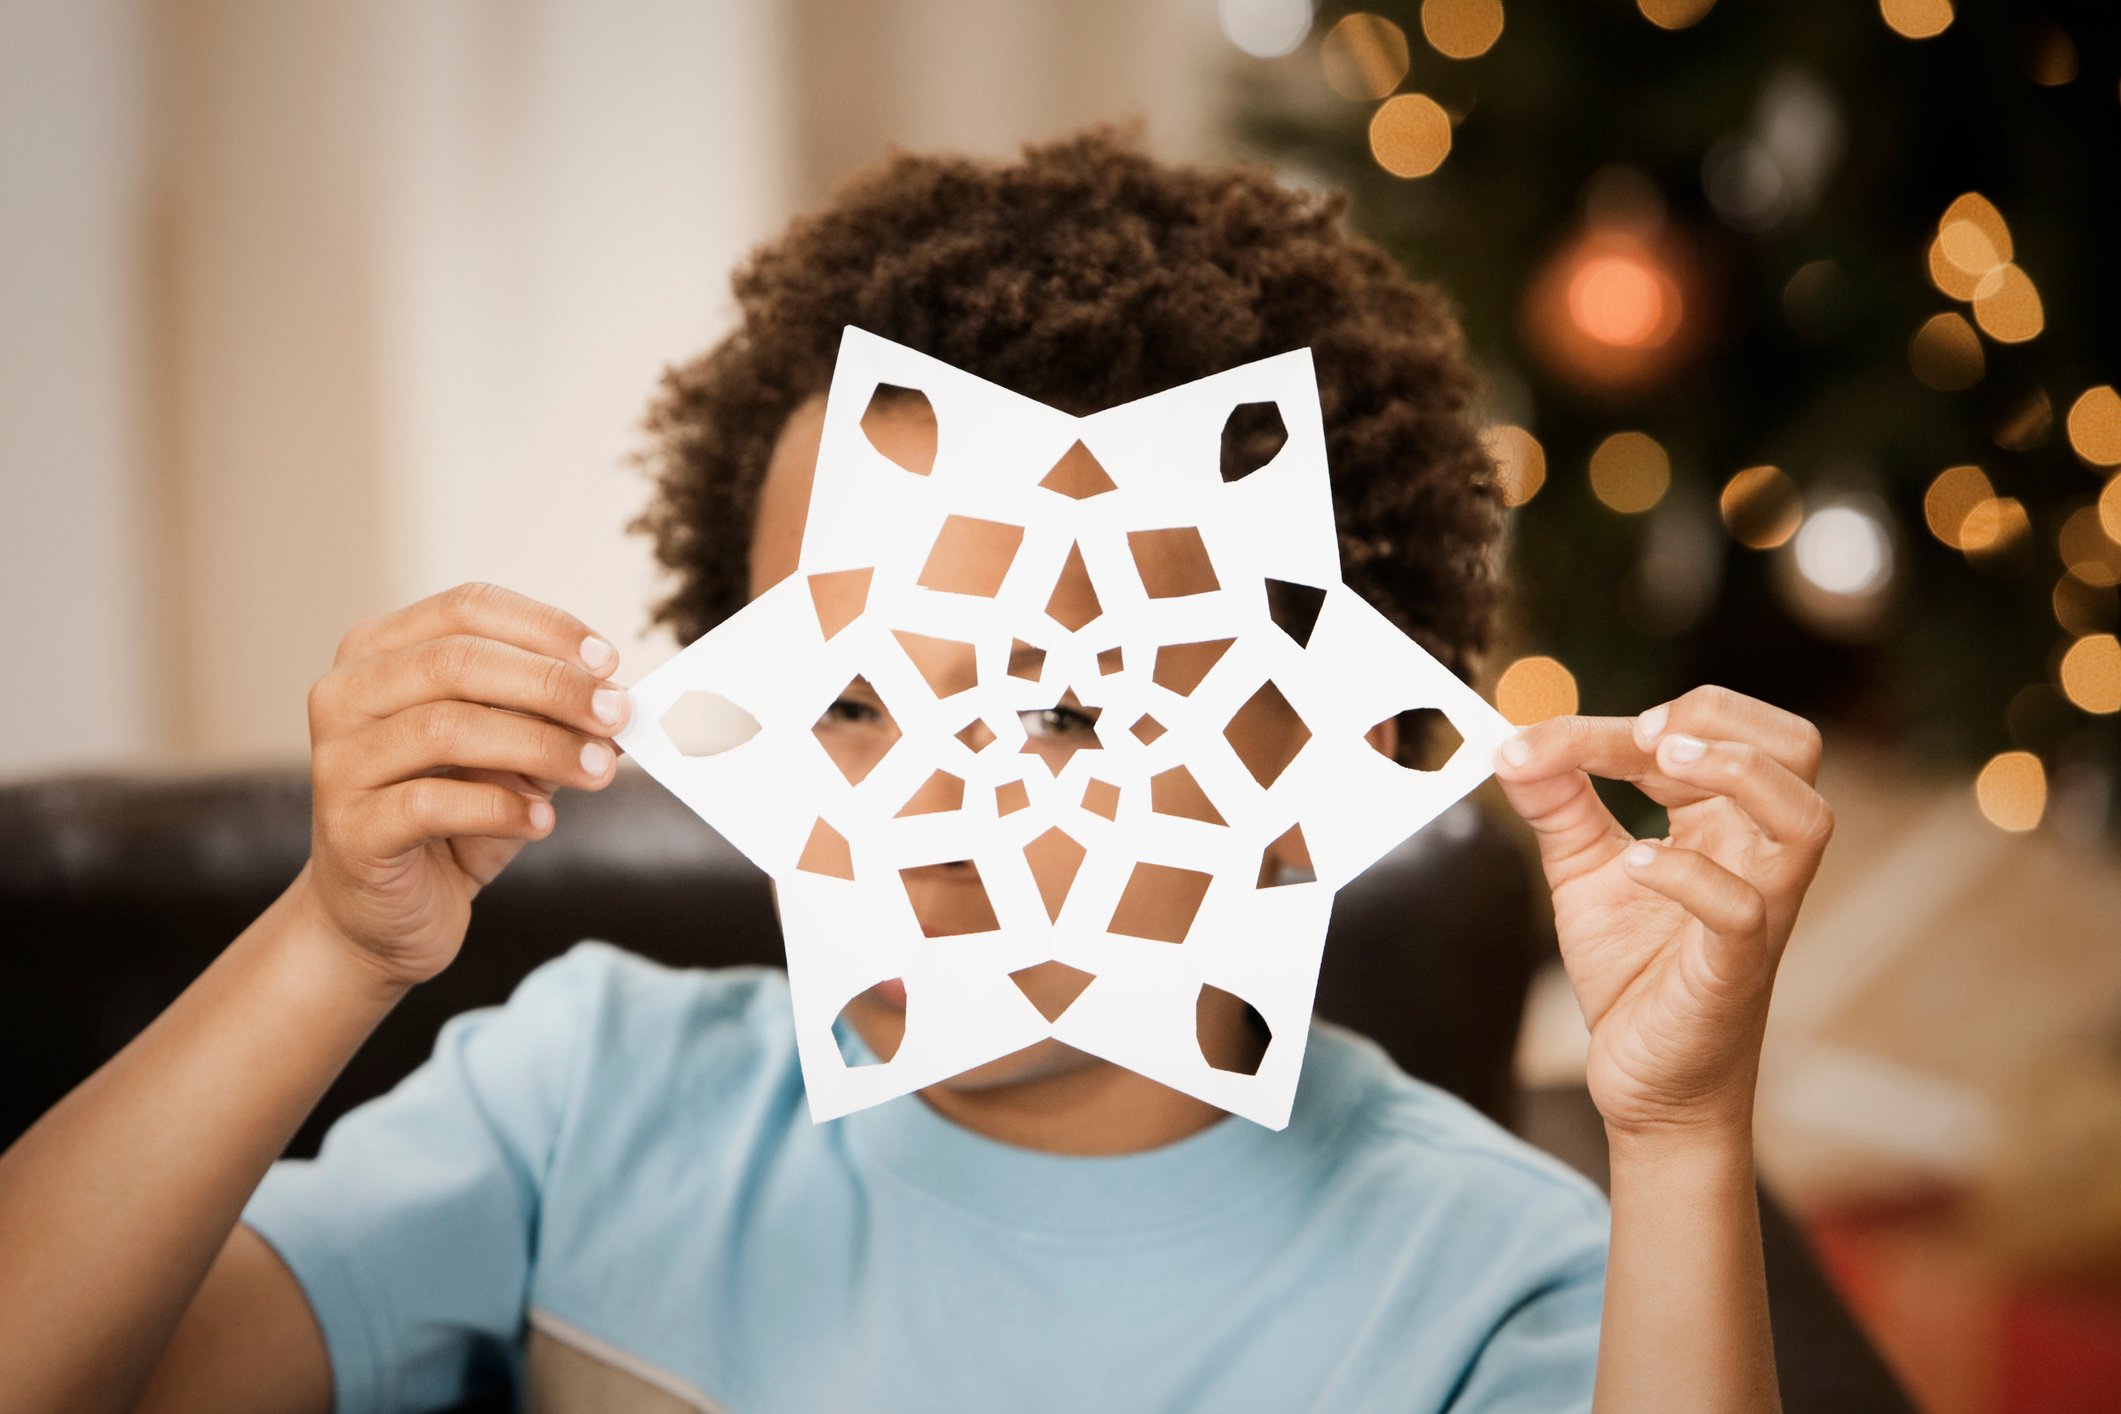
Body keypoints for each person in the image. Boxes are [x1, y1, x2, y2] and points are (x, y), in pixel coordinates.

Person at [0, 131, 1831, 1413]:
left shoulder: (1500, 1280)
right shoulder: (589, 1104)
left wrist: (1674, 1152)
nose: (930, 814)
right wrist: (331, 938)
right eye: (860, 704)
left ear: (1315, 747)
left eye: (1065, 709)